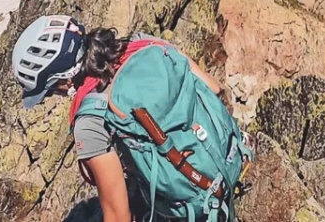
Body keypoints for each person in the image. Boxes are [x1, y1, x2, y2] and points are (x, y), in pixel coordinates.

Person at [13, 15, 244, 222]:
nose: (56, 95)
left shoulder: (90, 120)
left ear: (64, 79)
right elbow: (212, 88)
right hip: (230, 153)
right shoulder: (141, 43)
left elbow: (118, 215)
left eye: (52, 89)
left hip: (196, 202)